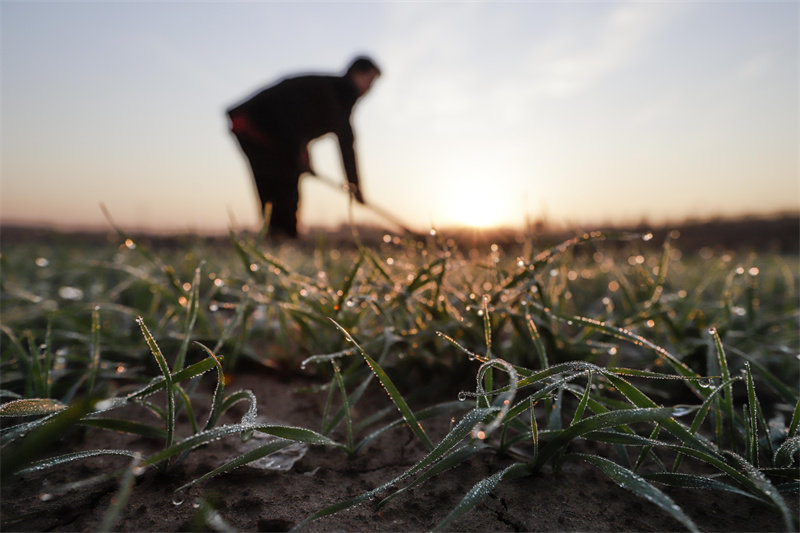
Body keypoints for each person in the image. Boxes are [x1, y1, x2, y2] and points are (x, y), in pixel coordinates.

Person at [227, 56, 381, 238]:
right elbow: (345, 144)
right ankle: (282, 236)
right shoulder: (338, 95)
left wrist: (355, 187)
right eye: (369, 81)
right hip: (256, 124)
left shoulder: (331, 93)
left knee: (277, 179)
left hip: (255, 124)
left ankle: (279, 235)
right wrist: (355, 188)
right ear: (357, 74)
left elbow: (305, 125)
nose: (369, 90)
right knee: (283, 179)